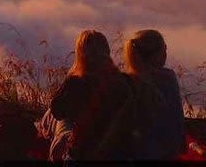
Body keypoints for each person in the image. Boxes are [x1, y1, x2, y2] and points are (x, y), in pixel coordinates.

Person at [50, 30, 150, 160]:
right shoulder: (126, 82)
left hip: (83, 154)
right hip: (120, 155)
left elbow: (57, 111)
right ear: (107, 51)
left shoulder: (76, 84)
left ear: (81, 55)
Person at [124, 29, 185, 159]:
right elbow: (176, 125)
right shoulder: (167, 79)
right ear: (156, 54)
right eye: (164, 49)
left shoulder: (125, 81)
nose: (166, 53)